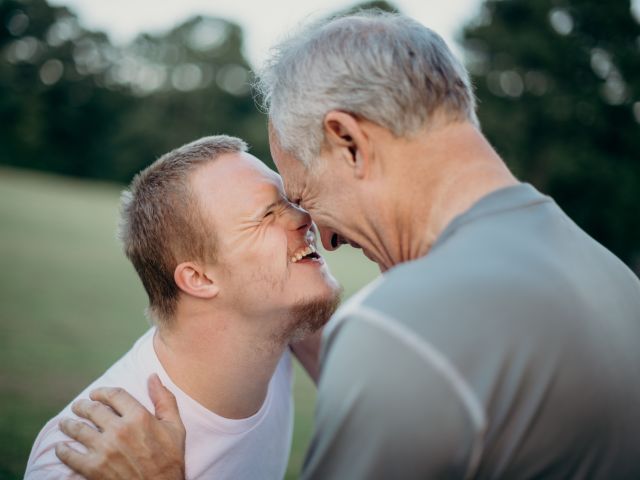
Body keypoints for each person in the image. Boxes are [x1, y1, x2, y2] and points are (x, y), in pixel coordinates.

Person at [56, 11, 640, 479]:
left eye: (304, 193)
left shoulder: (405, 330)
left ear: (350, 143)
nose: (323, 234)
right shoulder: (610, 276)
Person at [26, 135, 340, 479]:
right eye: (267, 214)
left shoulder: (277, 321)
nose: (304, 216)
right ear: (199, 278)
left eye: (290, 199)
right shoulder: (87, 458)